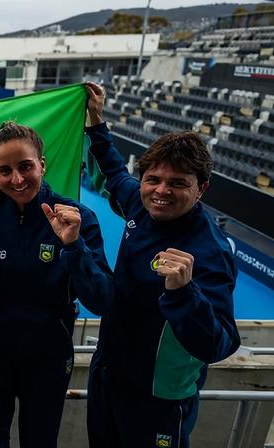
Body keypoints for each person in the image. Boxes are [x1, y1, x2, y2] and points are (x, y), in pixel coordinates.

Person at [84, 82, 240, 447]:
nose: (161, 191)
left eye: (177, 183)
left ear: (201, 188)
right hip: (108, 377)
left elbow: (220, 344)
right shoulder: (140, 204)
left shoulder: (210, 252)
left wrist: (185, 293)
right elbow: (114, 171)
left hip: (158, 399)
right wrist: (96, 123)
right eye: (152, 179)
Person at [0, 121, 113, 447]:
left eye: (25, 166)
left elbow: (101, 299)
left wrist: (74, 246)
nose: (16, 179)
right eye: (5, 170)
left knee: (40, 440)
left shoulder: (76, 217)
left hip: (48, 355)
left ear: (42, 164)